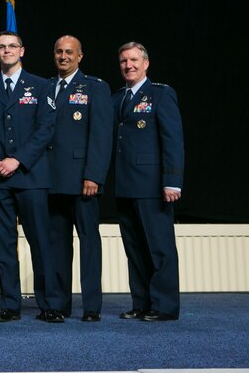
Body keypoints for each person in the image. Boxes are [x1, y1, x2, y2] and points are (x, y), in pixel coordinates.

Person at [0, 30, 61, 323]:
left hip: (31, 176)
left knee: (40, 242)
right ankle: (10, 304)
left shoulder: (42, 85)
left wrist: (17, 160)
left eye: (12, 46)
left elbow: (46, 128)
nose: (7, 50)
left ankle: (49, 303)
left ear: (22, 51)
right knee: (4, 243)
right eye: (1, 47)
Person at [113, 41, 184, 322]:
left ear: (146, 63)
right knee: (135, 249)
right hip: (126, 185)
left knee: (159, 247)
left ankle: (164, 305)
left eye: (133, 60)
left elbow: (173, 140)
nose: (128, 65)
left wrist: (172, 181)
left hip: (154, 185)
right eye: (123, 61)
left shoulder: (160, 94)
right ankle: (141, 302)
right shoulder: (117, 97)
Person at [45, 35, 112, 322]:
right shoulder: (44, 87)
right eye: (59, 51)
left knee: (88, 244)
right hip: (51, 180)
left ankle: (91, 306)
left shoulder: (95, 87)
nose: (63, 56)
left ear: (80, 56)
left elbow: (101, 136)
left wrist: (93, 175)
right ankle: (59, 304)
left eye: (69, 52)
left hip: (83, 181)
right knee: (57, 245)